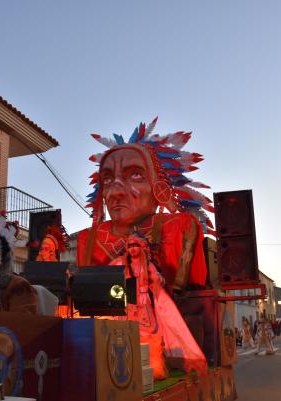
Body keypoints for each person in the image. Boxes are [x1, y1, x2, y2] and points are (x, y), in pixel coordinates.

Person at [77, 118, 213, 294]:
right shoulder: (87, 239)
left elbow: (197, 296)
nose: (115, 192)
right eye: (108, 179)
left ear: (159, 186)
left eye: (135, 175)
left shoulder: (181, 226)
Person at [110, 233, 207, 379]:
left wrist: (156, 280)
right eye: (129, 246)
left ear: (142, 247)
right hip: (125, 306)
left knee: (149, 337)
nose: (132, 249)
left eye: (135, 245)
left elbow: (158, 278)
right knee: (124, 338)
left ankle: (154, 371)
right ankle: (126, 371)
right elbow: (106, 272)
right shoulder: (119, 263)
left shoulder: (148, 265)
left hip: (143, 307)